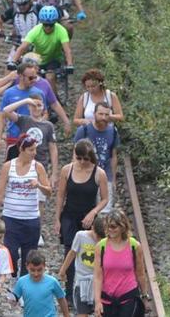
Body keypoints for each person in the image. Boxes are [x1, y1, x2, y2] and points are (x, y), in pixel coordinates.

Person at [0, 135, 51, 277]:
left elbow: (49, 192)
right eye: (31, 150)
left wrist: (39, 185)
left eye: (35, 149)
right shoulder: (8, 166)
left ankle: (23, 286)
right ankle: (12, 276)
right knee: (10, 251)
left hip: (31, 219)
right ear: (21, 149)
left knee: (29, 254)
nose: (34, 153)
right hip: (11, 217)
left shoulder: (38, 167)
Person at [55, 141, 109, 294]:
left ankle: (93, 290)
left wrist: (93, 212)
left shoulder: (99, 173)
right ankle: (69, 292)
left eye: (86, 158)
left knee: (91, 252)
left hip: (89, 217)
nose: (82, 162)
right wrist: (57, 219)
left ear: (91, 157)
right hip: (69, 215)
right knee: (69, 250)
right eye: (79, 158)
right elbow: (60, 196)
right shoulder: (67, 170)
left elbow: (105, 199)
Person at [92, 211, 152, 317]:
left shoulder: (134, 246)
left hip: (128, 296)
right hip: (107, 298)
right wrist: (97, 301)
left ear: (122, 227)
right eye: (108, 226)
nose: (110, 229)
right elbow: (98, 276)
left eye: (113, 226)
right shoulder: (100, 247)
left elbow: (140, 273)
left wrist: (145, 296)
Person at [12, 6, 75, 95]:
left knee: (50, 77)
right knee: (31, 78)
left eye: (51, 25)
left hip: (54, 58)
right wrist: (13, 61)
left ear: (55, 23)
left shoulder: (61, 30)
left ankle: (54, 100)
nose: (48, 28)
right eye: (45, 25)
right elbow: (22, 47)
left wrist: (70, 64)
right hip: (38, 59)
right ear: (41, 23)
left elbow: (67, 50)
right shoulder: (36, 30)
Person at [73, 104, 118, 214]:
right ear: (94, 114)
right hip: (85, 175)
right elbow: (75, 154)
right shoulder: (83, 130)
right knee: (84, 209)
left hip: (105, 175)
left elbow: (113, 156)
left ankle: (102, 230)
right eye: (101, 114)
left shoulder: (113, 132)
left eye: (106, 115)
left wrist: (114, 179)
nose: (103, 117)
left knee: (104, 211)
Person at [58, 215, 106, 317]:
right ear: (92, 227)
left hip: (99, 282)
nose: (98, 240)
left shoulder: (105, 242)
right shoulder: (81, 236)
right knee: (82, 312)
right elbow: (72, 253)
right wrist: (63, 270)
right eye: (97, 236)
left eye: (101, 238)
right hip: (82, 281)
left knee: (100, 311)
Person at [2, 93, 59, 178]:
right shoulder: (23, 120)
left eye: (39, 105)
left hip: (41, 165)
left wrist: (54, 173)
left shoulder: (48, 126)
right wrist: (25, 101)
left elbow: (53, 149)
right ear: (28, 107)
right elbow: (6, 111)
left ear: (43, 107)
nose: (36, 108)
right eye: (33, 105)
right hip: (23, 164)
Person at [0, 62, 41, 161]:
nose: (33, 80)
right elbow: (2, 115)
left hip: (32, 138)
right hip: (14, 136)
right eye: (30, 78)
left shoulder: (38, 93)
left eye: (35, 77)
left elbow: (44, 113)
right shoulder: (9, 93)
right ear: (21, 76)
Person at [11, 251, 71, 317]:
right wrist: (12, 300)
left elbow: (61, 298)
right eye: (32, 270)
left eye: (39, 270)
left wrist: (66, 315)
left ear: (44, 266)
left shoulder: (52, 281)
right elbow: (15, 298)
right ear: (26, 266)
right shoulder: (21, 281)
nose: (36, 274)